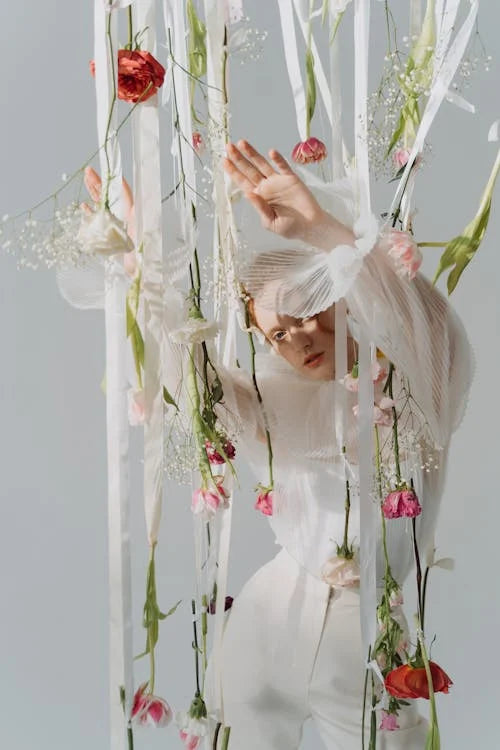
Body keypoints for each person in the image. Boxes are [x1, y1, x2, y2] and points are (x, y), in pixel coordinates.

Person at [83, 140, 473, 749]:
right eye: (278, 333)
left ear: (341, 295)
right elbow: (194, 386)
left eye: (310, 308)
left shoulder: (413, 382)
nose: (302, 338)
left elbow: (427, 321)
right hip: (266, 626)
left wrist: (319, 229)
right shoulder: (269, 400)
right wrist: (146, 267)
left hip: (366, 638)